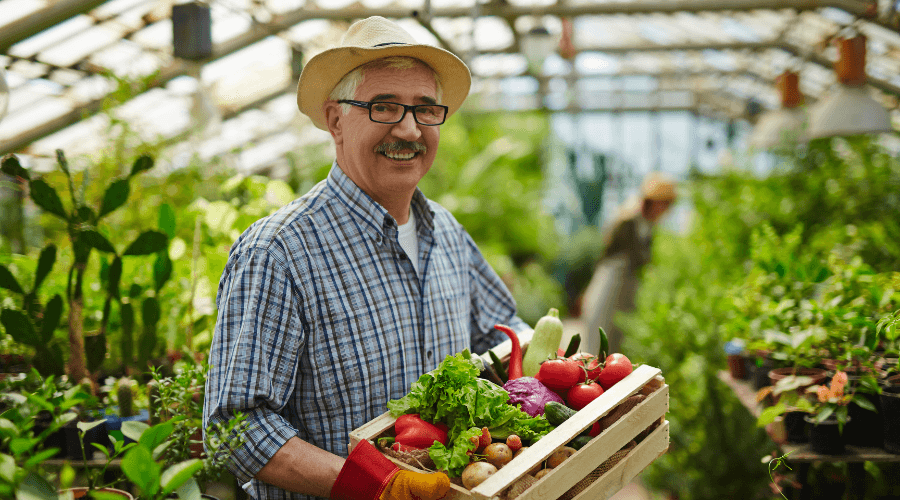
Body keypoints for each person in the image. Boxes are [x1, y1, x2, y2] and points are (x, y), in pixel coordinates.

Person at [202, 16, 530, 500]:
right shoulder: (279, 252)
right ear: (336, 120)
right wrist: (375, 485)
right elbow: (234, 428)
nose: (409, 129)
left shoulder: (447, 233)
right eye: (383, 107)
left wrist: (582, 382)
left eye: (425, 109)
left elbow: (504, 338)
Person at [579, 171, 677, 357]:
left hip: (629, 284)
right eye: (664, 203)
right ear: (653, 201)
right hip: (612, 279)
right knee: (600, 330)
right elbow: (607, 254)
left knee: (617, 338)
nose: (666, 209)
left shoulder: (648, 225)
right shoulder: (628, 220)